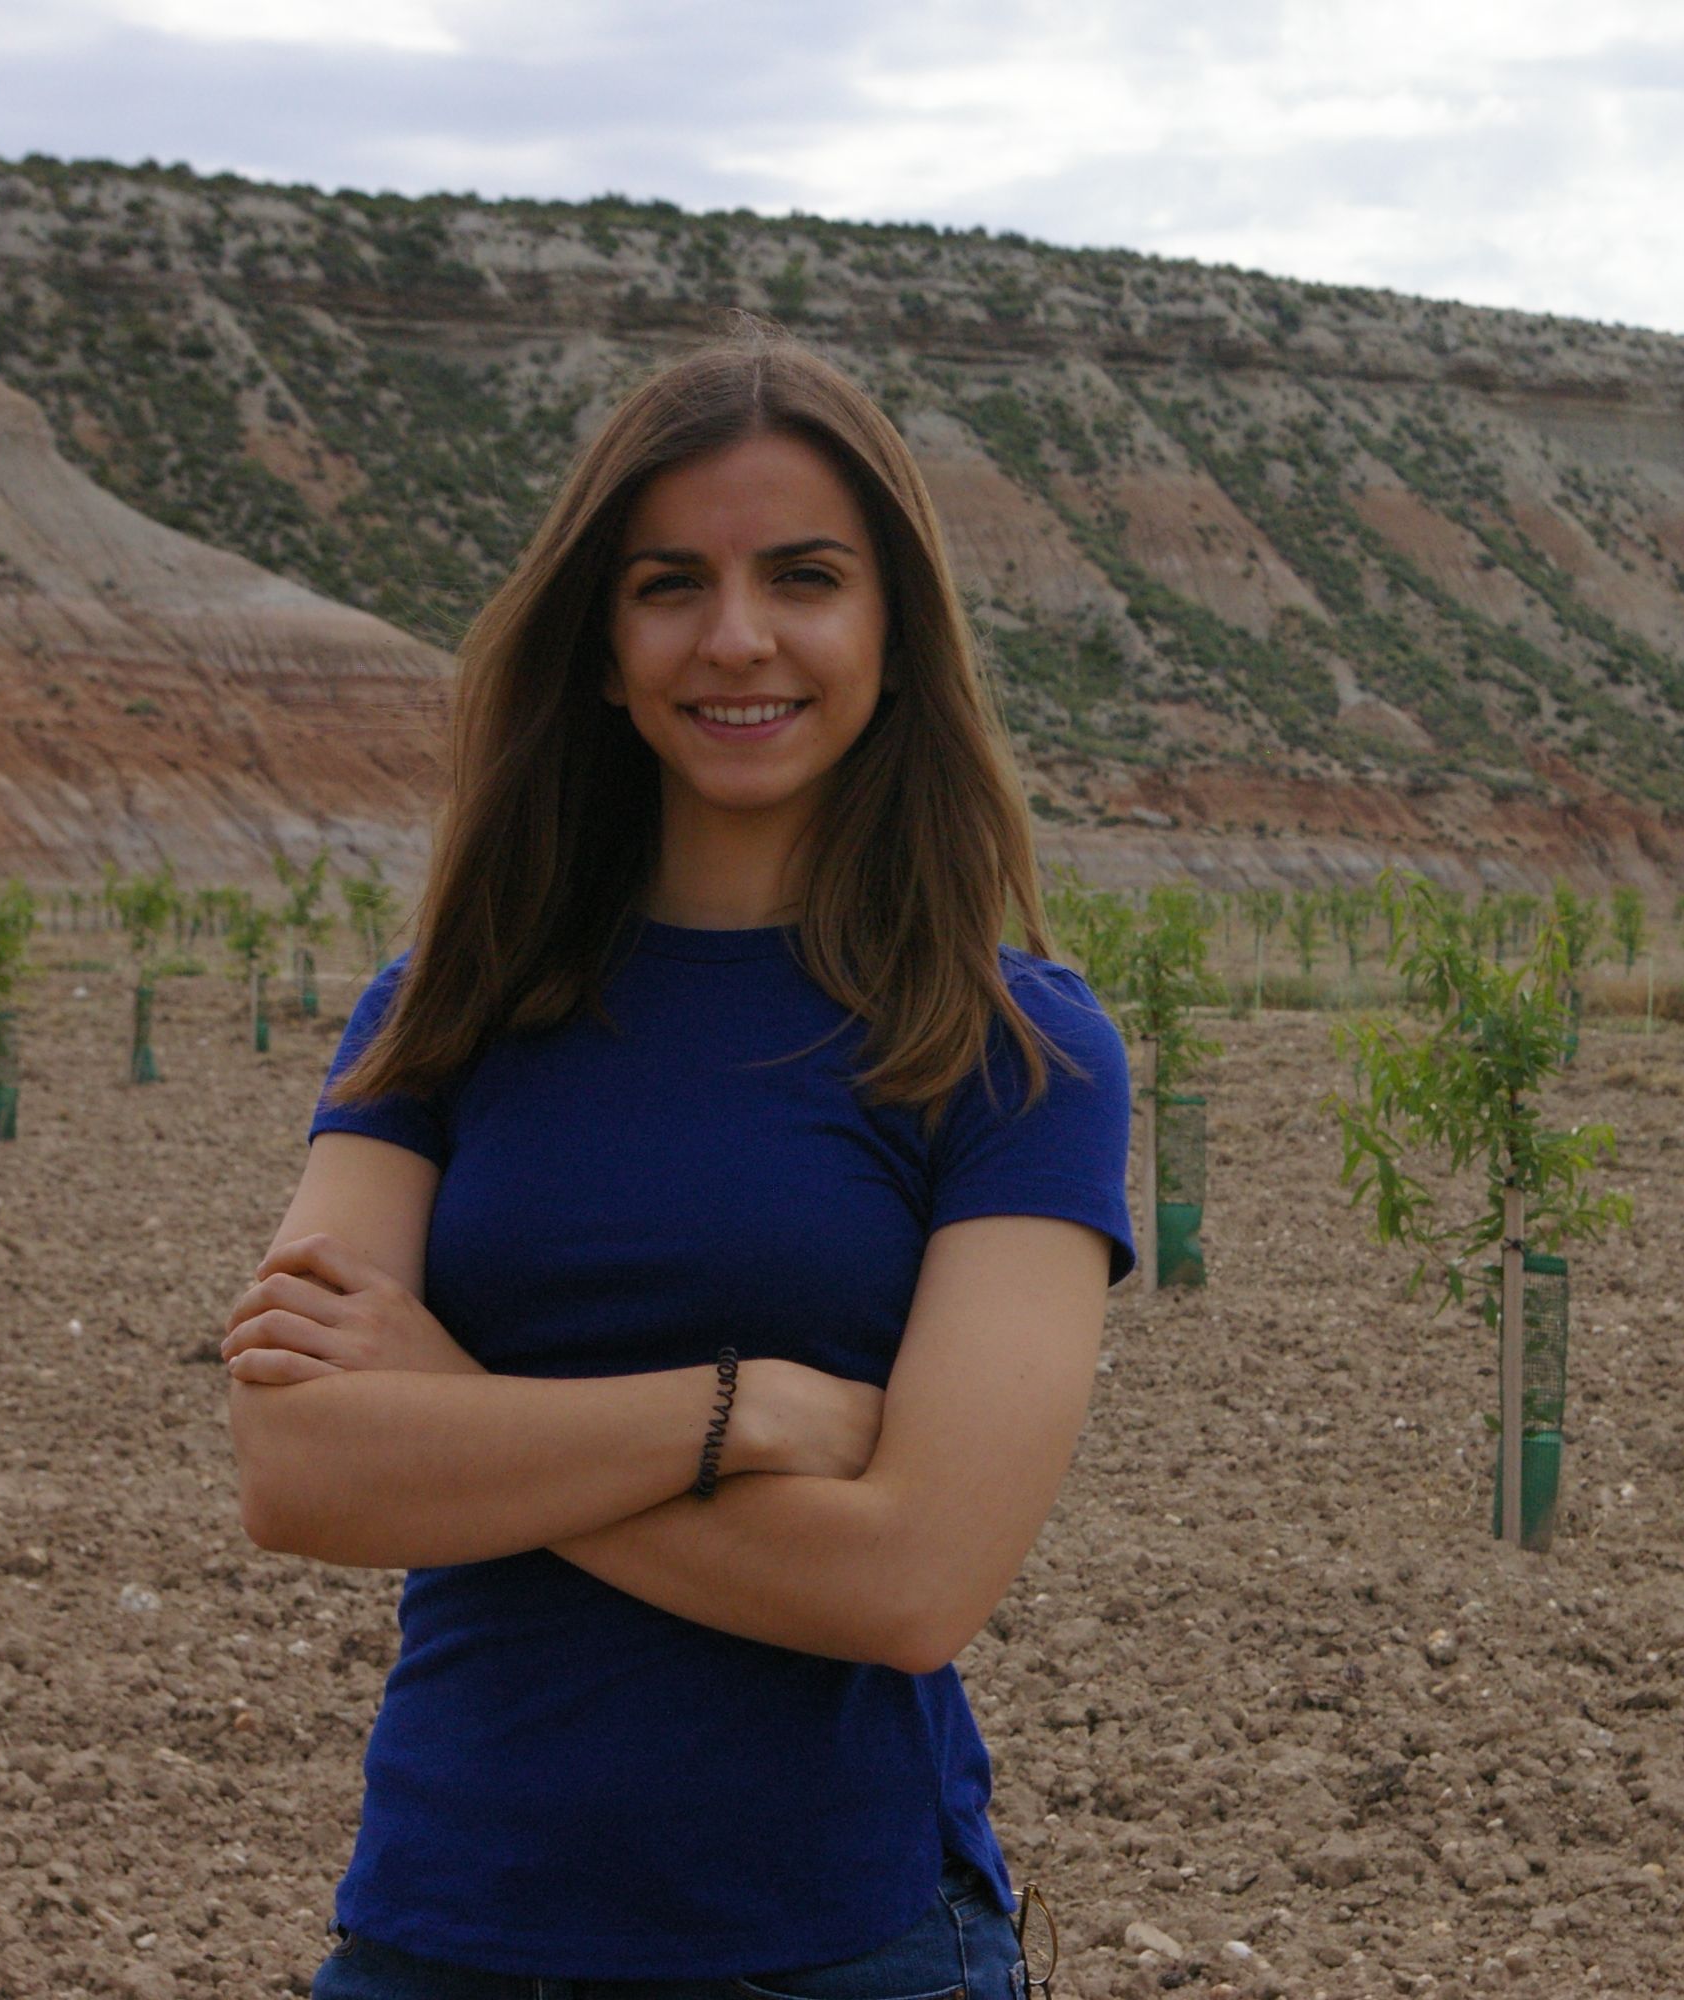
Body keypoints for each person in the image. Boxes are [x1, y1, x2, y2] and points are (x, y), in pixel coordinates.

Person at [219, 329, 1131, 1999]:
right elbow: (301, 1474)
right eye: (667, 584)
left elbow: (918, 1581)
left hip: (839, 1943)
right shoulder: (441, 1011)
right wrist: (744, 1413)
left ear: (891, 632)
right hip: (443, 1931)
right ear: (600, 644)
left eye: (804, 577)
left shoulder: (1016, 1050)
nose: (736, 637)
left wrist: (458, 1406)